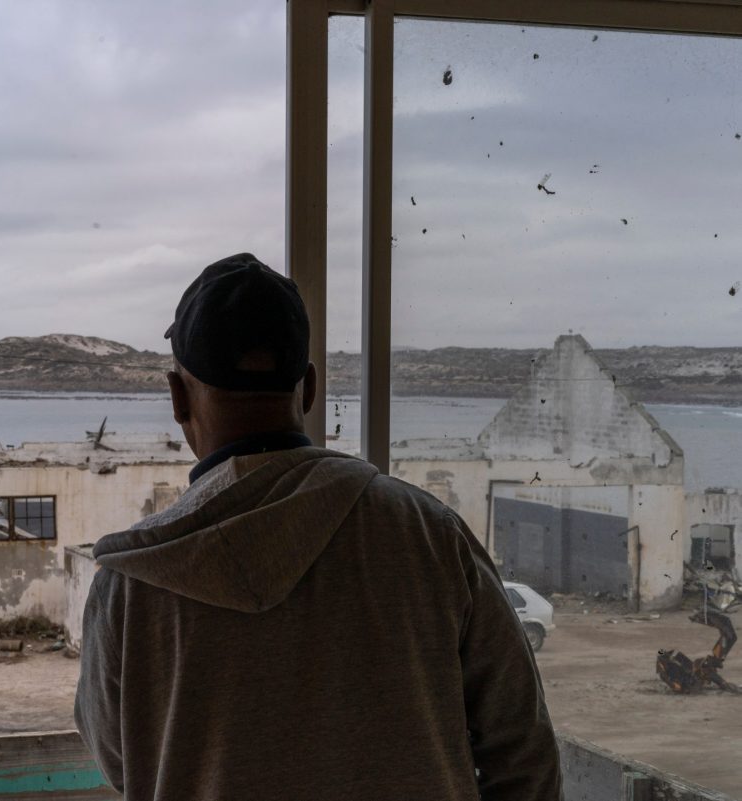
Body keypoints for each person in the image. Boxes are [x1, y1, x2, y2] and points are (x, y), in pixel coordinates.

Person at [75, 253, 562, 800]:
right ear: (307, 389)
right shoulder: (428, 535)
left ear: (177, 396)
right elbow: (523, 750)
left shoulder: (131, 585)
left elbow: (124, 762)